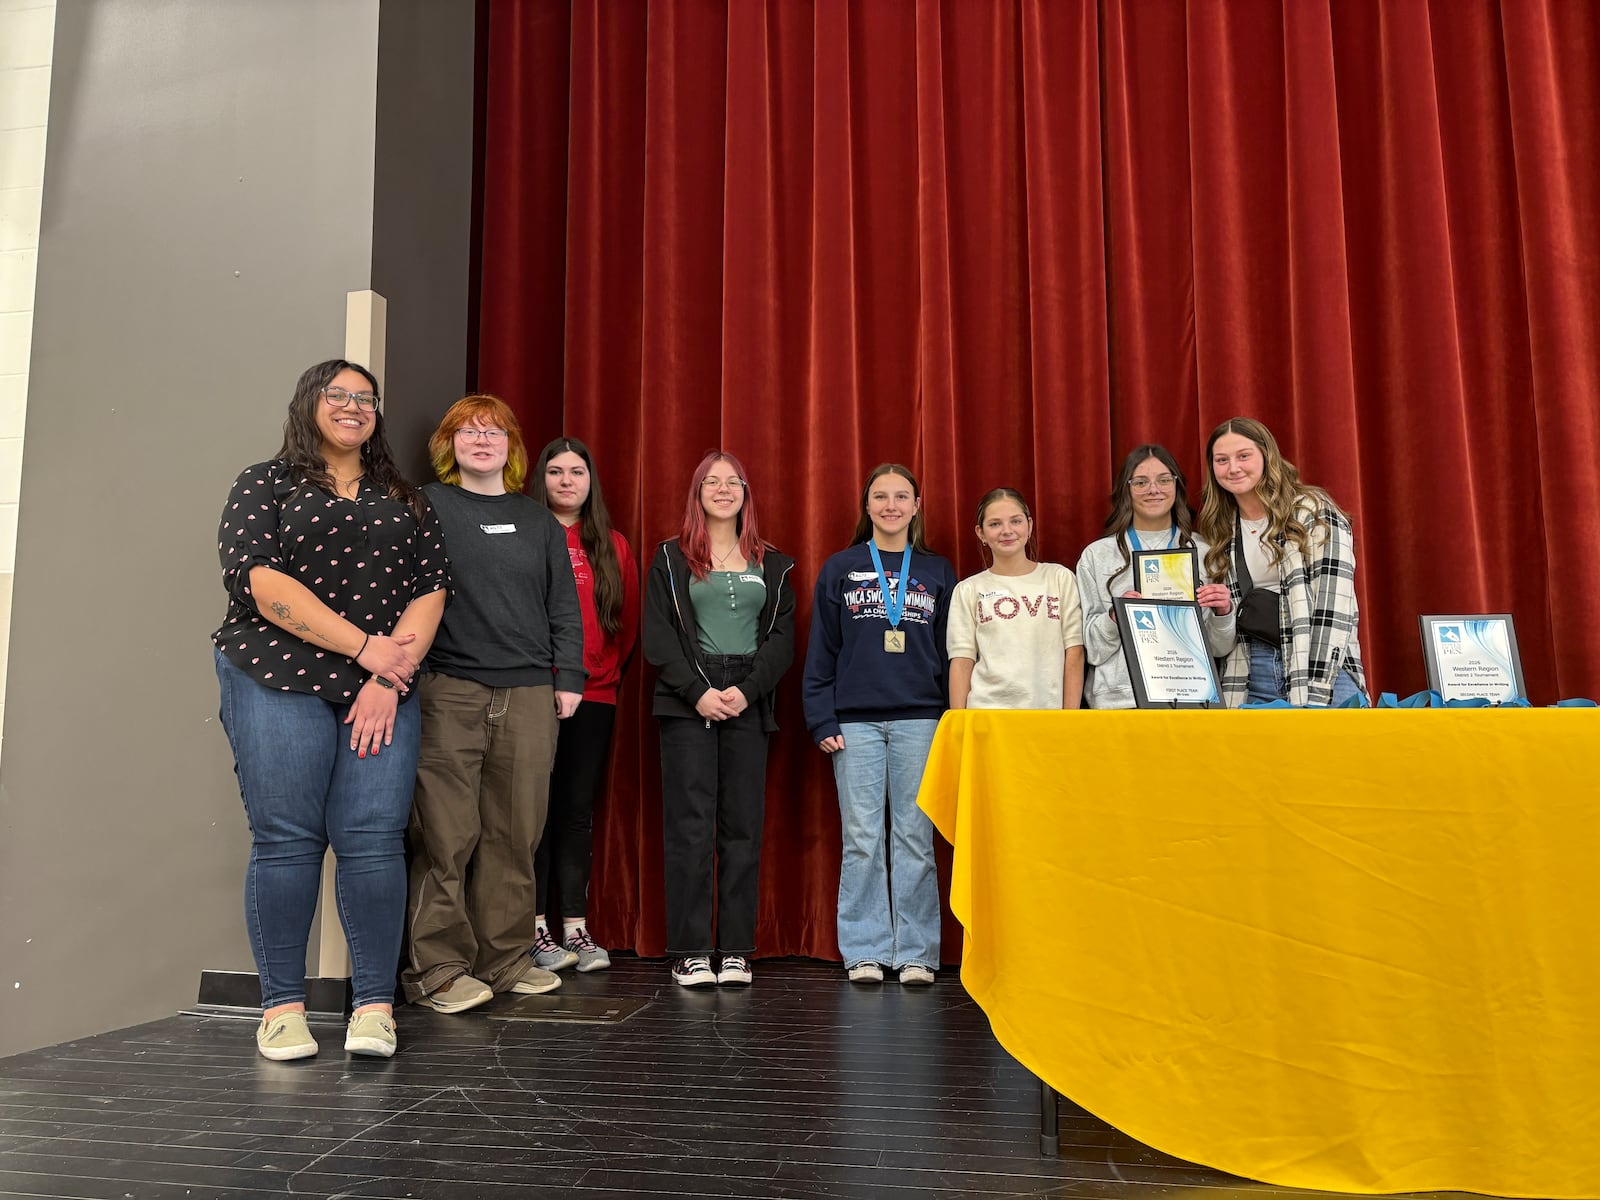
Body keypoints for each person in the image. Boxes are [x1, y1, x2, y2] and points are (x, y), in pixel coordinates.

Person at [213, 359, 446, 1060]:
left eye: (365, 398)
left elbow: (431, 589)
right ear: (308, 402)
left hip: (382, 685)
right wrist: (366, 649)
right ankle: (282, 1010)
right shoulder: (264, 483)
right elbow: (262, 584)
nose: (353, 406)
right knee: (287, 839)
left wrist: (387, 676)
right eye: (337, 394)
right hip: (276, 673)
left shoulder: (405, 498)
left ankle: (373, 1007)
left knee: (373, 840)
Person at [400, 395, 586, 1014]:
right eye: (469, 431)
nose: (482, 441)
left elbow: (564, 605)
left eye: (494, 432)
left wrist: (569, 676)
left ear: (512, 447)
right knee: (445, 836)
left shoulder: (537, 522)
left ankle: (504, 960)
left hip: (530, 694)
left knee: (515, 835)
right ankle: (438, 970)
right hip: (449, 690)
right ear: (448, 445)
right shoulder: (425, 507)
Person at [643, 451, 796, 988]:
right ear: (698, 492)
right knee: (689, 827)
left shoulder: (773, 563)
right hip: (688, 697)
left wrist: (747, 692)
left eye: (733, 481)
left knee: (742, 827)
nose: (723, 489)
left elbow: (782, 641)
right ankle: (690, 951)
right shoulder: (669, 558)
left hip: (748, 696)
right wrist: (697, 693)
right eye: (712, 481)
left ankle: (734, 951)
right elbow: (658, 635)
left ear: (746, 492)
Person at [802, 463, 956, 986]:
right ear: (866, 506)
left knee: (914, 836)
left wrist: (950, 718)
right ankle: (865, 950)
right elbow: (821, 650)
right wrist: (821, 717)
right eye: (881, 496)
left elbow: (952, 652)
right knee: (863, 838)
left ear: (916, 507)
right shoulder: (841, 567)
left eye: (901, 497)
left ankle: (916, 952)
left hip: (921, 718)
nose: (891, 506)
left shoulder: (938, 570)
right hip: (855, 723)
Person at [528, 437, 640, 974]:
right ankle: (533, 929)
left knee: (575, 812)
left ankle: (575, 927)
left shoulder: (612, 545)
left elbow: (627, 624)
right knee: (530, 813)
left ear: (591, 482)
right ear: (541, 479)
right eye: (556, 471)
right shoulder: (527, 533)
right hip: (532, 693)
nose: (566, 481)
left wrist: (602, 673)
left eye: (577, 471)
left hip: (595, 695)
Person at [1196, 417, 1368, 707]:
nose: (1233, 468)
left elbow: (1334, 608)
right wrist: (1223, 611)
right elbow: (1221, 639)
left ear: (1267, 456)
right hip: (1251, 670)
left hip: (1321, 664)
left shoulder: (1312, 511)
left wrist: (1317, 690)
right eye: (1222, 460)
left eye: (1243, 456)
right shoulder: (1221, 529)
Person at [1076, 446, 1236, 708]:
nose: (1153, 489)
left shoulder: (1206, 552)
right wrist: (1116, 617)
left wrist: (1223, 612)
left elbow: (1221, 648)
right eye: (1141, 482)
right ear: (1126, 489)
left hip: (1191, 696)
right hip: (1121, 701)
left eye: (1164, 480)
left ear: (1177, 486)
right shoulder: (1097, 556)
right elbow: (1092, 650)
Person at [947, 488, 1085, 710]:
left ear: (1029, 525)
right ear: (981, 533)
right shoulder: (968, 589)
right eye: (995, 524)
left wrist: (1069, 717)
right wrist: (960, 720)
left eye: (1016, 521)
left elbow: (1074, 652)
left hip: (1048, 713)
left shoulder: (1059, 578)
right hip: (987, 713)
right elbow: (962, 661)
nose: (1007, 530)